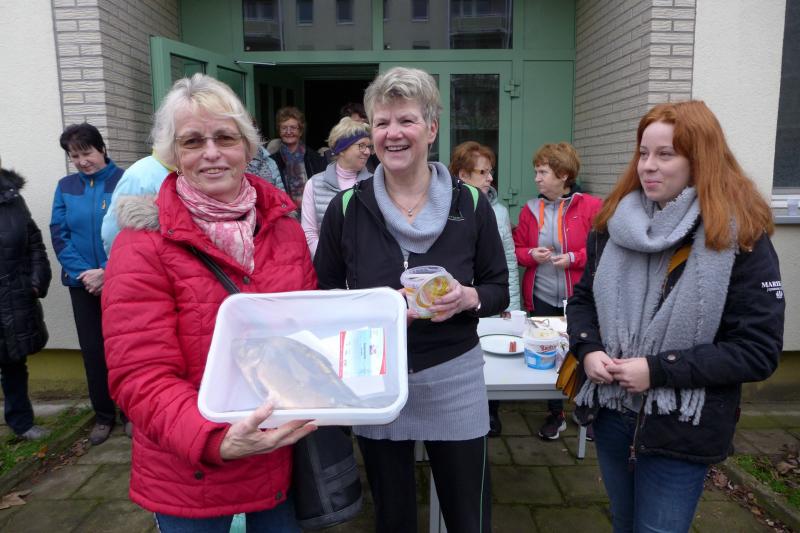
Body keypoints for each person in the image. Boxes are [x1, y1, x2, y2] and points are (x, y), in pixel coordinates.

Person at [101, 73, 317, 531]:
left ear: (248, 146)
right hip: (191, 470)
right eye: (193, 141)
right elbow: (139, 374)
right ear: (174, 154)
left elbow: (308, 334)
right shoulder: (141, 246)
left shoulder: (285, 230)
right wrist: (214, 440)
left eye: (225, 137)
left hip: (277, 460)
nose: (212, 152)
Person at [568, 100, 784, 532]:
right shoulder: (613, 225)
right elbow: (583, 301)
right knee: (624, 522)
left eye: (665, 154)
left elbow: (757, 350)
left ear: (700, 160)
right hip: (612, 412)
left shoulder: (739, 236)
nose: (648, 165)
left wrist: (657, 370)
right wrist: (588, 349)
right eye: (643, 153)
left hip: (682, 425)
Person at [315, 67, 509, 533]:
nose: (393, 133)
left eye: (406, 120)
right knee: (393, 516)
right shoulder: (347, 207)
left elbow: (498, 287)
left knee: (468, 516)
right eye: (382, 123)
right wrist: (372, 313)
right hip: (377, 377)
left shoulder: (471, 204)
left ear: (431, 129)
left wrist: (466, 297)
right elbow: (323, 294)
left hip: (454, 374)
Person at [512, 142, 602, 440]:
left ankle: (584, 408)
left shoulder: (590, 207)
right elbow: (517, 250)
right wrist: (531, 254)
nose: (536, 178)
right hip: (541, 295)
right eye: (536, 172)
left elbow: (603, 250)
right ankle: (555, 413)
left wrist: (574, 258)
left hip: (579, 299)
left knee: (581, 351)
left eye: (542, 172)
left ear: (563, 175)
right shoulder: (530, 209)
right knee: (546, 352)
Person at [50, 123, 124, 446]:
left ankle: (133, 413)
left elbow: (134, 230)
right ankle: (104, 416)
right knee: (94, 352)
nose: (82, 161)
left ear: (102, 149)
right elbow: (59, 233)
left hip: (121, 280)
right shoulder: (65, 186)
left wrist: (107, 271)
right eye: (74, 156)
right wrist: (86, 274)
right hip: (82, 285)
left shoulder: (124, 181)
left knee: (126, 350)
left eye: (87, 153)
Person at [449, 141, 520, 437]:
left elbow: (509, 261)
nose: (490, 178)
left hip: (492, 299)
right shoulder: (448, 208)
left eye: (491, 172)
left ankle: (491, 412)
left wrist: (511, 303)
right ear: (462, 175)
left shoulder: (499, 211)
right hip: (459, 306)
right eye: (483, 172)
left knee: (495, 357)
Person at [0, 159, 52, 441]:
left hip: (13, 296)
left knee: (13, 362)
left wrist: (35, 282)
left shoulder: (12, 198)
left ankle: (21, 423)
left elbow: (34, 242)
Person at [301, 117, 372, 257]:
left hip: (366, 266)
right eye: (361, 145)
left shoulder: (375, 184)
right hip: (326, 265)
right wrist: (329, 262)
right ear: (342, 149)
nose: (367, 152)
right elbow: (309, 233)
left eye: (369, 146)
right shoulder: (315, 184)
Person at [270, 106, 326, 211]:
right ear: (279, 131)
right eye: (284, 128)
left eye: (293, 127)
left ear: (300, 131)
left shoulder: (315, 158)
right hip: (285, 213)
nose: (288, 131)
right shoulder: (272, 161)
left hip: (311, 212)